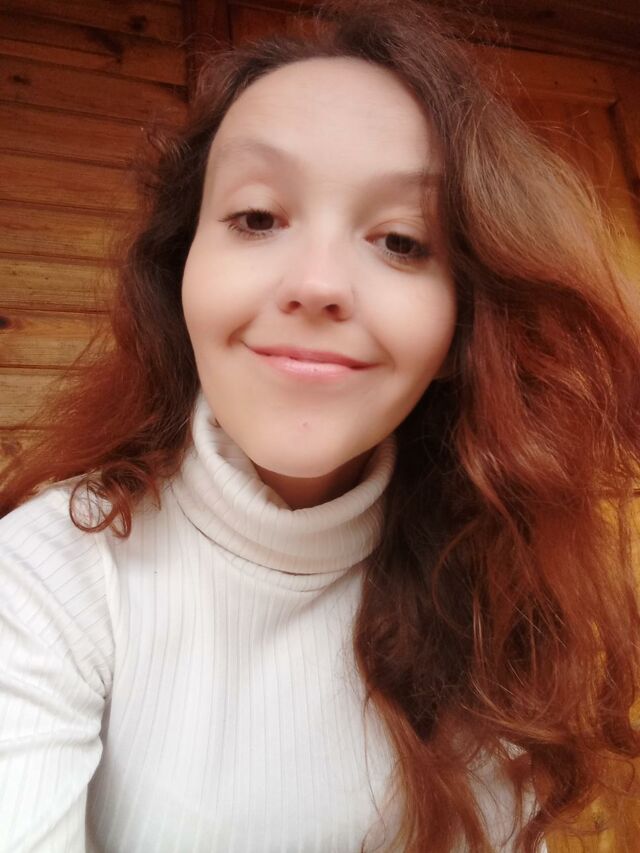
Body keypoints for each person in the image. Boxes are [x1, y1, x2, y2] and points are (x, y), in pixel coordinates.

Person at [1, 0, 639, 850]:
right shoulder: (49, 577)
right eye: (257, 217)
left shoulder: (494, 572)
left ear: (462, 330)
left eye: (402, 240)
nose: (318, 284)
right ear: (181, 270)